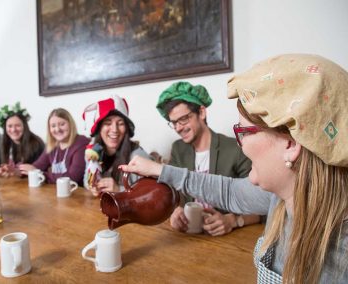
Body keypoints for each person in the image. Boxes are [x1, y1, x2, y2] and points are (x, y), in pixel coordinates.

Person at [120, 54, 348, 283]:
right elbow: (228, 191)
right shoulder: (278, 198)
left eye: (244, 132)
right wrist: (160, 170)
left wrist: (233, 221)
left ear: (290, 144)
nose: (240, 144)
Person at [156, 81, 259, 236]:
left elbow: (260, 203)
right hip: (189, 236)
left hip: (227, 240)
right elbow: (171, 191)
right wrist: (175, 210)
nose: (178, 128)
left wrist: (233, 221)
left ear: (202, 112)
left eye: (183, 119)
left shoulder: (235, 148)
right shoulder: (178, 148)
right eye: (174, 122)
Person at [82, 95, 150, 196]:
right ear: (99, 128)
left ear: (126, 128)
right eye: (108, 123)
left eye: (120, 123)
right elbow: (86, 180)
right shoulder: (93, 151)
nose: (114, 130)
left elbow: (151, 193)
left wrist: (119, 189)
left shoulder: (138, 156)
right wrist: (92, 187)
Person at [19, 108, 89, 185]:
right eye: (53, 126)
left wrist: (40, 174)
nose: (57, 129)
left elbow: (72, 178)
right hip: (57, 191)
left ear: (70, 124)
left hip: (77, 193)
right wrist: (16, 171)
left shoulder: (81, 143)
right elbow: (36, 166)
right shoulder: (52, 145)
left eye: (62, 124)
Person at [0, 102, 45, 177]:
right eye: (10, 126)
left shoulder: (36, 144)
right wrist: (0, 171)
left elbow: (39, 171)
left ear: (25, 126)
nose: (13, 130)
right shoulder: (4, 144)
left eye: (17, 125)